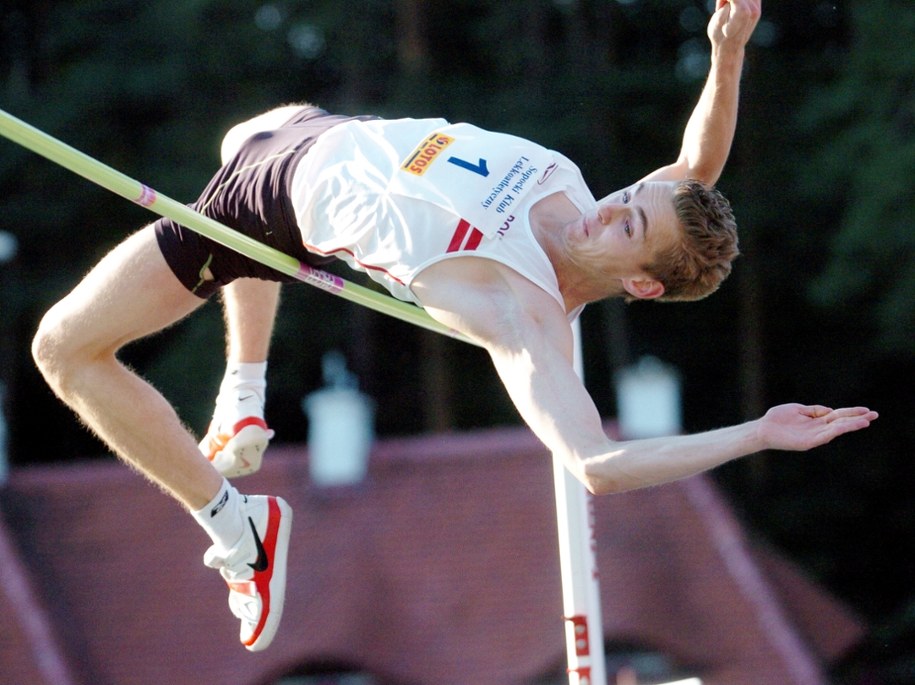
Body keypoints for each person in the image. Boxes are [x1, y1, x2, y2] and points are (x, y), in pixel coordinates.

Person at [31, 0, 877, 653]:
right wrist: (725, 56)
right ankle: (243, 391)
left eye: (626, 226)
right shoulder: (582, 194)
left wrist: (756, 433)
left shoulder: (523, 318)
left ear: (642, 284)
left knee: (64, 350)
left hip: (266, 212)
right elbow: (694, 169)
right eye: (627, 197)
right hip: (313, 135)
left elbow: (598, 465)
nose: (611, 206)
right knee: (240, 130)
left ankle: (235, 527)